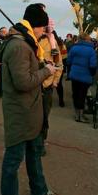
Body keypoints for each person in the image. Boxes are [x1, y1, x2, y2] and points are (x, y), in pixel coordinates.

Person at [0, 3, 55, 195]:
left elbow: (28, 72)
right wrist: (46, 71)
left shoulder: (26, 43)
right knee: (13, 162)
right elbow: (23, 82)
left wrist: (41, 66)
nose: (43, 33)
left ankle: (39, 190)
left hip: (31, 112)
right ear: (35, 26)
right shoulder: (19, 46)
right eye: (43, 28)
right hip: (20, 113)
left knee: (34, 155)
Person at [38, 20, 63, 154]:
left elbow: (59, 65)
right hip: (33, 84)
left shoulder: (55, 44)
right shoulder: (34, 41)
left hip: (47, 86)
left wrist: (55, 82)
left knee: (44, 116)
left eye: (51, 26)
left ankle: (41, 143)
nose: (49, 27)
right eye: (47, 25)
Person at [67, 33, 98, 123]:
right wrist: (92, 74)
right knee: (82, 95)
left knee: (75, 94)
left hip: (74, 75)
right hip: (85, 76)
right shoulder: (91, 50)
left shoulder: (74, 48)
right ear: (88, 39)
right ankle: (81, 116)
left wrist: (71, 70)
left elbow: (69, 61)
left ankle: (77, 115)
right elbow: (93, 65)